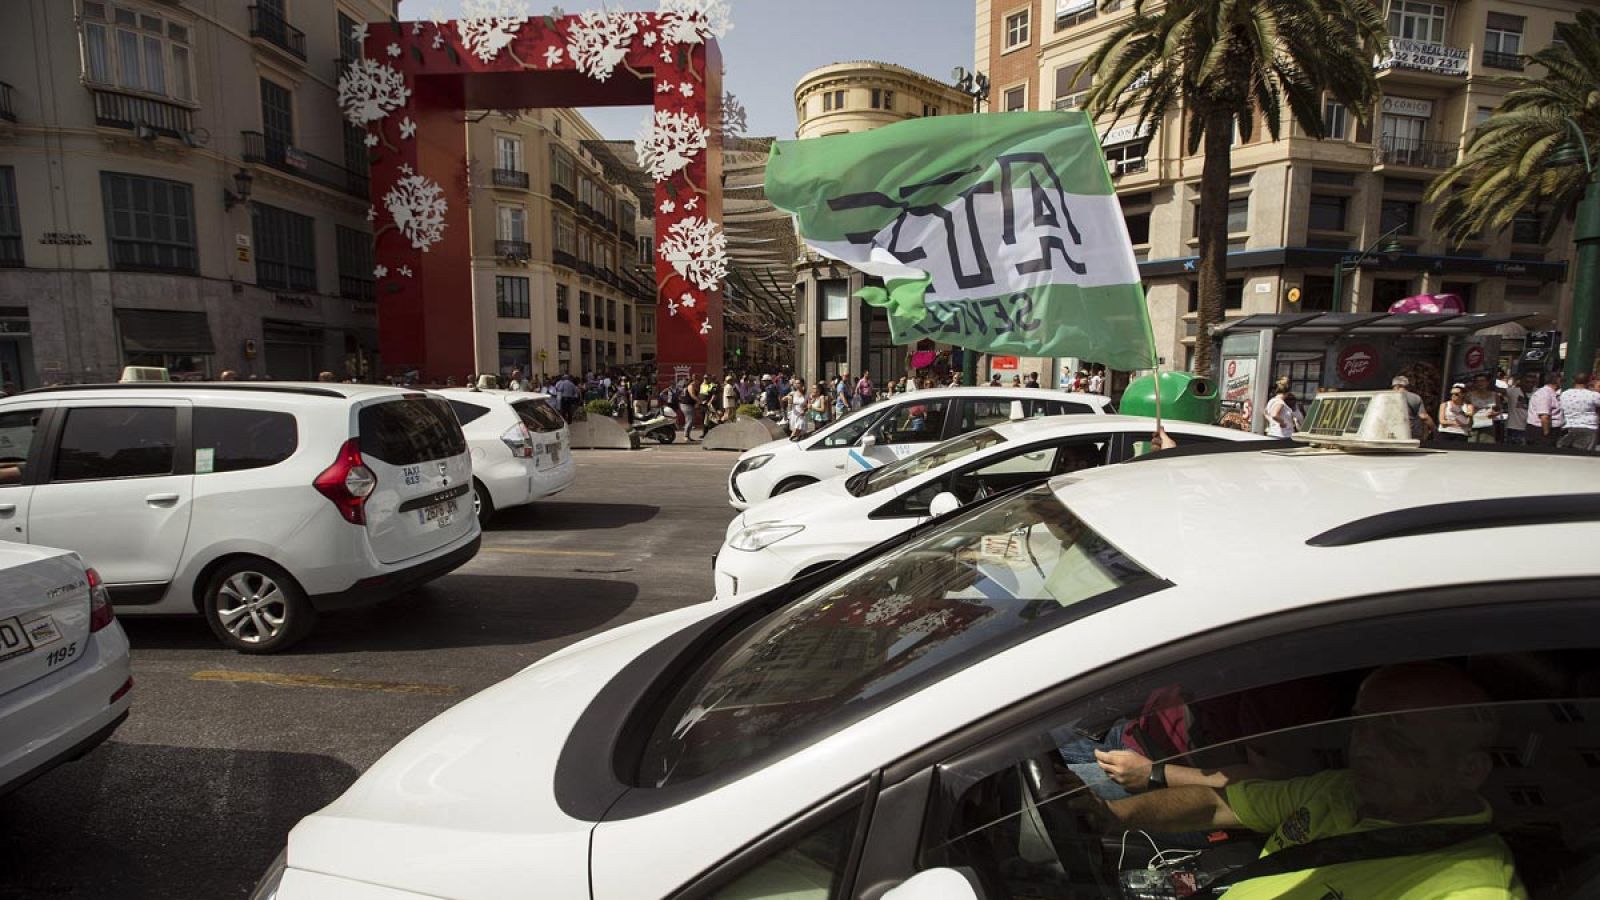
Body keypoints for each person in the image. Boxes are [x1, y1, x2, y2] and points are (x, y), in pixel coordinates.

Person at [1096, 663, 1520, 900]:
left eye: (1394, 738)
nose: (1364, 749)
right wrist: (1112, 816)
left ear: (1471, 771)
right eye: (1360, 727)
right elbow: (1217, 805)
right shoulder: (1338, 789)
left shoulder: (1471, 889)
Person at [1557, 372, 1600, 452]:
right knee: (1584, 456)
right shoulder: (1593, 395)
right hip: (1588, 428)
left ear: (1574, 381)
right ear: (1589, 381)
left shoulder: (1564, 394)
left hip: (1568, 427)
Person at [1390, 376, 1433, 440]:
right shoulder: (1416, 397)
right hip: (1411, 433)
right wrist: (1434, 430)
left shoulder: (1389, 397)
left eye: (1393, 387)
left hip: (1393, 432)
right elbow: (1423, 416)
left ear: (1397, 386)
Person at [1528, 371, 1564, 446]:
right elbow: (1544, 417)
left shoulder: (1552, 393)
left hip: (1551, 430)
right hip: (1542, 431)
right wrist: (1546, 433)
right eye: (1561, 380)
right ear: (1557, 380)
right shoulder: (1544, 394)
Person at [1465, 374, 1500, 444]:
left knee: (1487, 448)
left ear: (1487, 382)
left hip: (1488, 426)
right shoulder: (1469, 395)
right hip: (1473, 425)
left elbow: (1499, 410)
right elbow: (1464, 409)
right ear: (1475, 383)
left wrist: (1495, 413)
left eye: (1482, 381)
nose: (1480, 383)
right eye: (1477, 381)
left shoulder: (1495, 395)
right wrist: (1469, 412)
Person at [1503, 372, 1533, 445]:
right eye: (1527, 382)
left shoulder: (1537, 392)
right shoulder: (1513, 391)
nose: (1530, 384)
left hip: (1530, 428)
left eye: (1532, 382)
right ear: (1521, 382)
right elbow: (1496, 389)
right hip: (1514, 427)